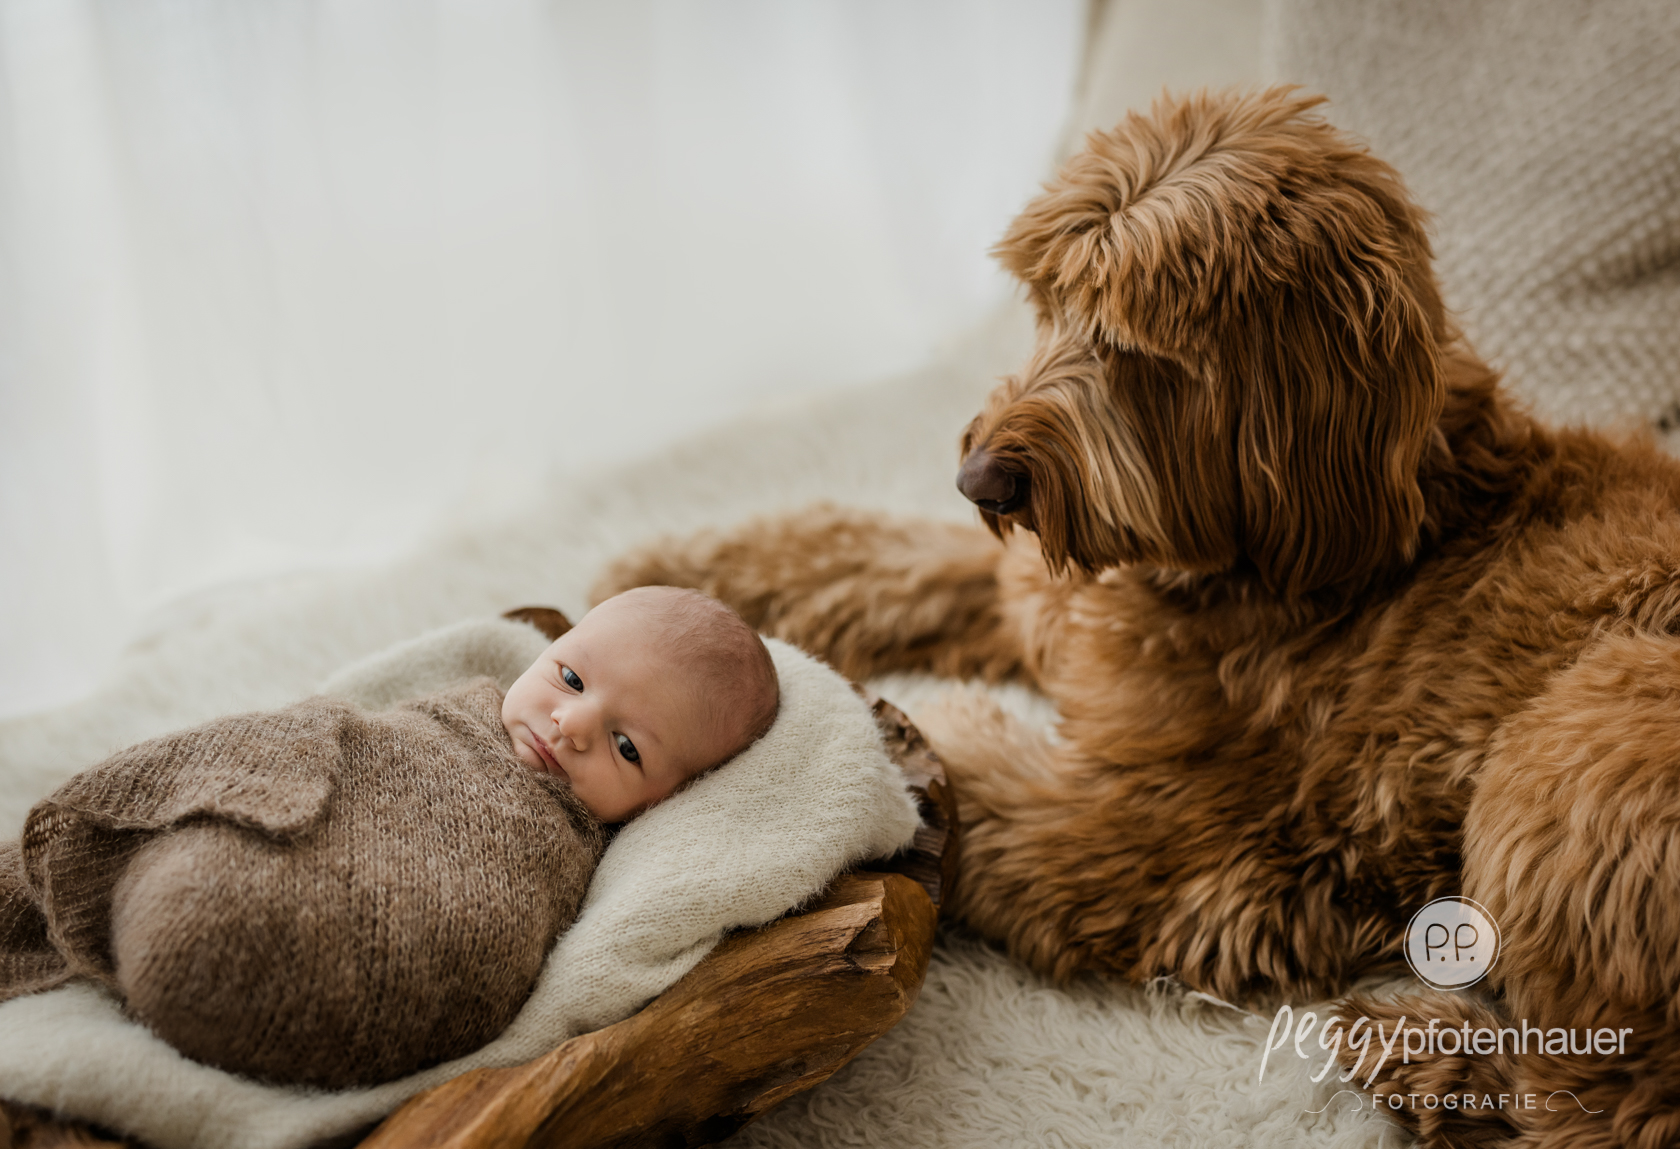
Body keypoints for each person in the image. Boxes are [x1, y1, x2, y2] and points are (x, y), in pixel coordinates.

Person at [0, 586, 778, 1088]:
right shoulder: (461, 703)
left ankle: (196, 931)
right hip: (279, 841)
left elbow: (500, 928)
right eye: (571, 678)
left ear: (662, 801)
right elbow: (361, 721)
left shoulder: (576, 846)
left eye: (627, 746)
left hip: (351, 922)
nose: (569, 723)